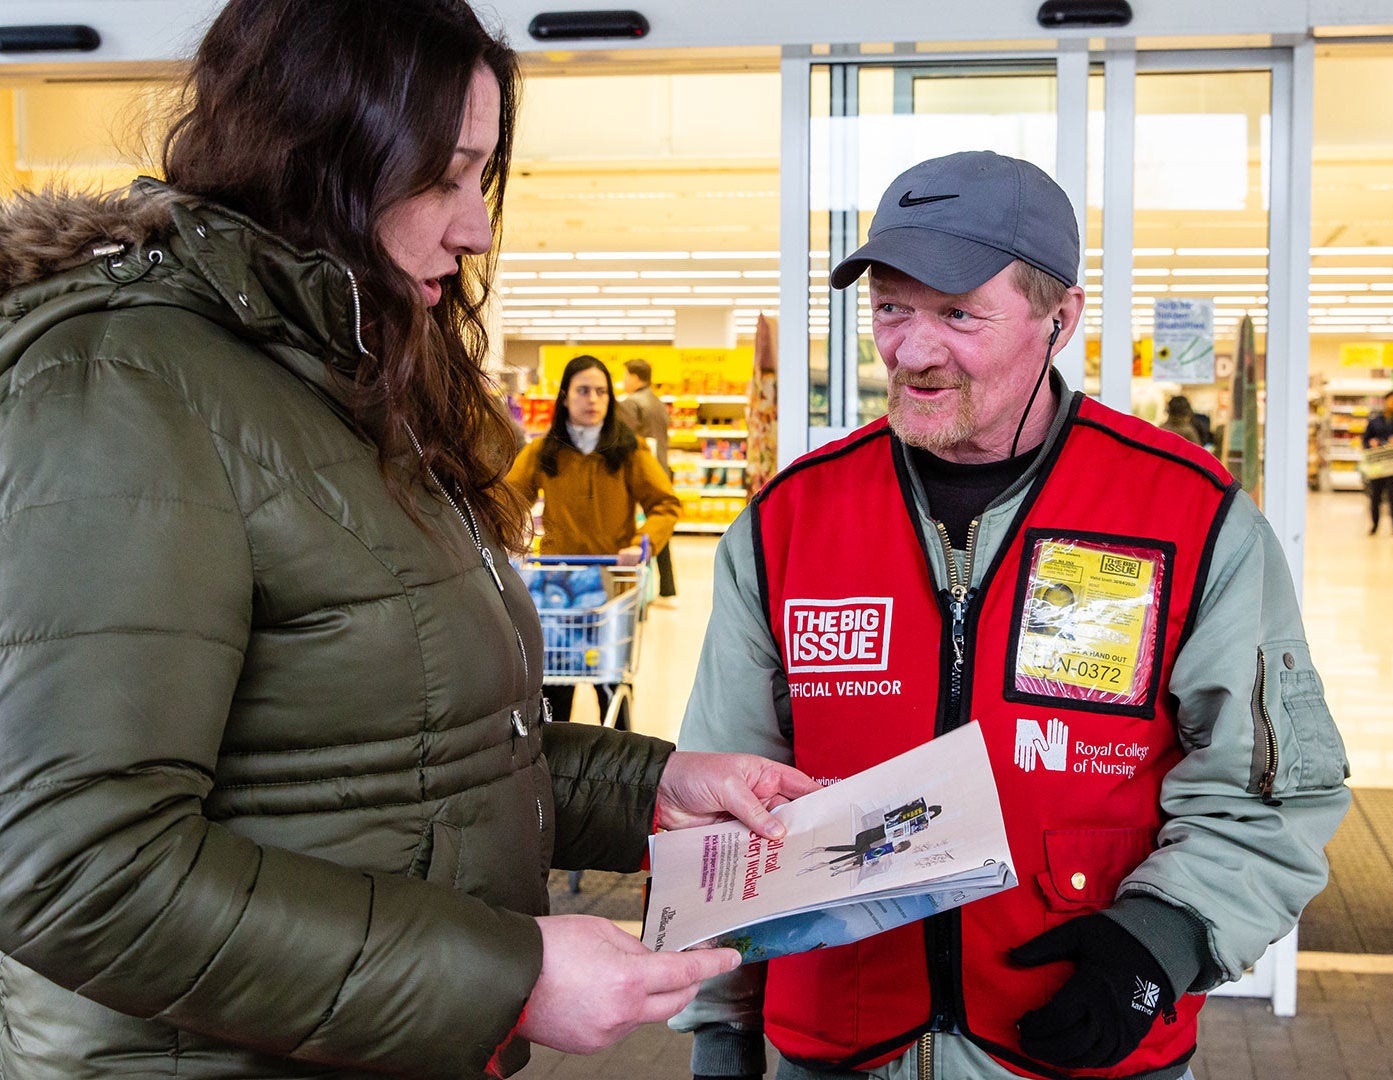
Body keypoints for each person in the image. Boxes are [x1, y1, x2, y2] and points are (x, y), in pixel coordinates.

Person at [0, 2, 820, 1076]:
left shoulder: (347, 381)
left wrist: (654, 790)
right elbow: (73, 866)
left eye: (481, 177)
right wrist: (507, 974)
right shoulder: (127, 390)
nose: (476, 226)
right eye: (446, 174)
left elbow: (414, 757)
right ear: (323, 154)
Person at [672, 150, 1350, 1080]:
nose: (910, 350)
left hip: (1079, 1041)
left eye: (957, 313)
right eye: (891, 308)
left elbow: (1272, 787)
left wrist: (1163, 940)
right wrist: (722, 1030)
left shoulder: (1187, 516)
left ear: (1059, 318)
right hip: (835, 1045)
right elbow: (724, 810)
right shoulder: (790, 522)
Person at [508, 354, 681, 722]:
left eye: (601, 391)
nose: (593, 400)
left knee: (612, 687)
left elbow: (664, 503)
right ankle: (558, 769)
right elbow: (506, 500)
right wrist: (506, 537)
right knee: (556, 690)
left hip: (613, 585)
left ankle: (621, 767)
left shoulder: (630, 450)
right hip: (558, 586)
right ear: (565, 397)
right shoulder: (543, 451)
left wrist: (642, 543)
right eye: (583, 390)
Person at [617, 357, 679, 598]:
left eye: (624, 376)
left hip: (640, 475)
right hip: (661, 469)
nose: (623, 381)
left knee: (636, 532)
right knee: (659, 526)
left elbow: (624, 441)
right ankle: (667, 586)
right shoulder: (658, 402)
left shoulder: (631, 404)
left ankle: (640, 592)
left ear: (634, 377)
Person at [1363, 390, 1393, 537]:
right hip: (1377, 467)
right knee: (1375, 497)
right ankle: (1374, 525)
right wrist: (1371, 443)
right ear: (1385, 402)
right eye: (1392, 401)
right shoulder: (1373, 423)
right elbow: (1365, 442)